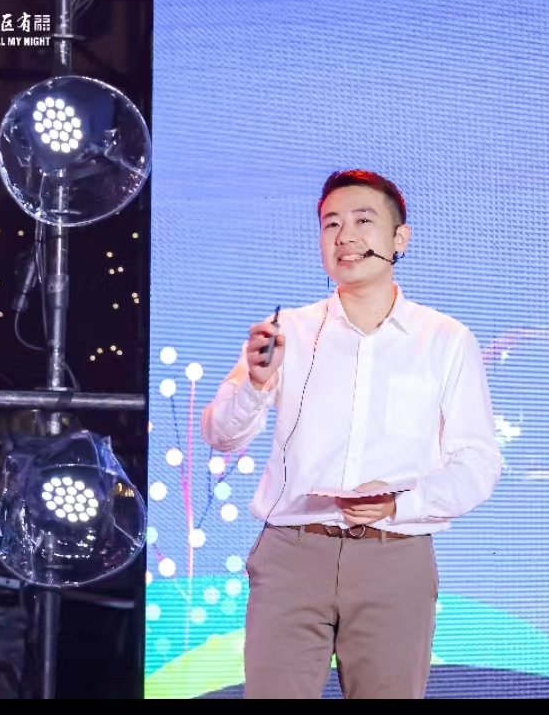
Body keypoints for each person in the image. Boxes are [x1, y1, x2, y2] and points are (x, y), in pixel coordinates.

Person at [201, 169, 501, 699]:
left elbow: (478, 463)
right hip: (292, 551)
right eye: (330, 224)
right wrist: (256, 383)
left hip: (395, 554)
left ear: (399, 238)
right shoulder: (287, 331)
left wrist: (399, 504)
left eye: (363, 221)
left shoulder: (445, 339)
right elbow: (221, 436)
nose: (345, 237)